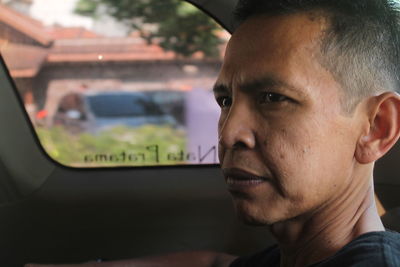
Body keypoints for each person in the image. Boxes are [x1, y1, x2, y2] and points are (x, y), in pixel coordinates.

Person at [26, 0, 400, 266]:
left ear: (376, 128)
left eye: (273, 98)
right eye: (225, 100)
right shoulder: (304, 252)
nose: (229, 133)